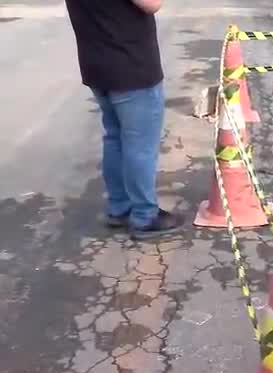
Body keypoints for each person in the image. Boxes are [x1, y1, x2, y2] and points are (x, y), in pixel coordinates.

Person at [65, 0, 184, 239]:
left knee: (115, 138)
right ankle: (145, 215)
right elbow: (152, 4)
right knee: (140, 146)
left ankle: (119, 207)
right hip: (130, 66)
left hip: (96, 64)